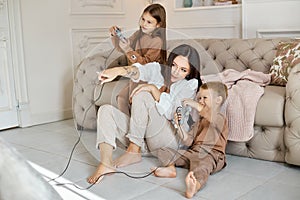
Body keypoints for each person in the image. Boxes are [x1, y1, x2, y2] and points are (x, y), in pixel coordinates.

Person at [87, 44, 202, 184]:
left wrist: (153, 90)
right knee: (105, 110)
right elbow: (138, 71)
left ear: (189, 72)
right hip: (146, 141)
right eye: (173, 65)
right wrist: (116, 71)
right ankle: (106, 163)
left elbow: (173, 112)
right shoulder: (158, 70)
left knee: (143, 94)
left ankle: (133, 151)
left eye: (183, 70)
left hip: (167, 141)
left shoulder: (190, 85)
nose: (175, 72)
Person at [152, 81, 228, 199]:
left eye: (205, 98)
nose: (201, 101)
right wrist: (179, 126)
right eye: (199, 98)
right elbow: (188, 141)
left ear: (218, 100)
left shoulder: (220, 118)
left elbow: (212, 118)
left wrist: (196, 105)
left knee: (201, 166)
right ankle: (171, 169)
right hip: (194, 152)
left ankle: (195, 186)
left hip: (212, 154)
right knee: (164, 150)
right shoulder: (198, 122)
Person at [110, 3, 167, 115]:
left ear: (158, 25)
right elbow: (122, 48)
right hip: (135, 77)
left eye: (149, 22)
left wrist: (128, 50)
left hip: (147, 79)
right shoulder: (138, 34)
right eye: (143, 19)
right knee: (121, 98)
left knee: (135, 101)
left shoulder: (157, 41)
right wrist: (116, 36)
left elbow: (145, 63)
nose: (144, 24)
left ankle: (135, 128)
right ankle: (125, 125)